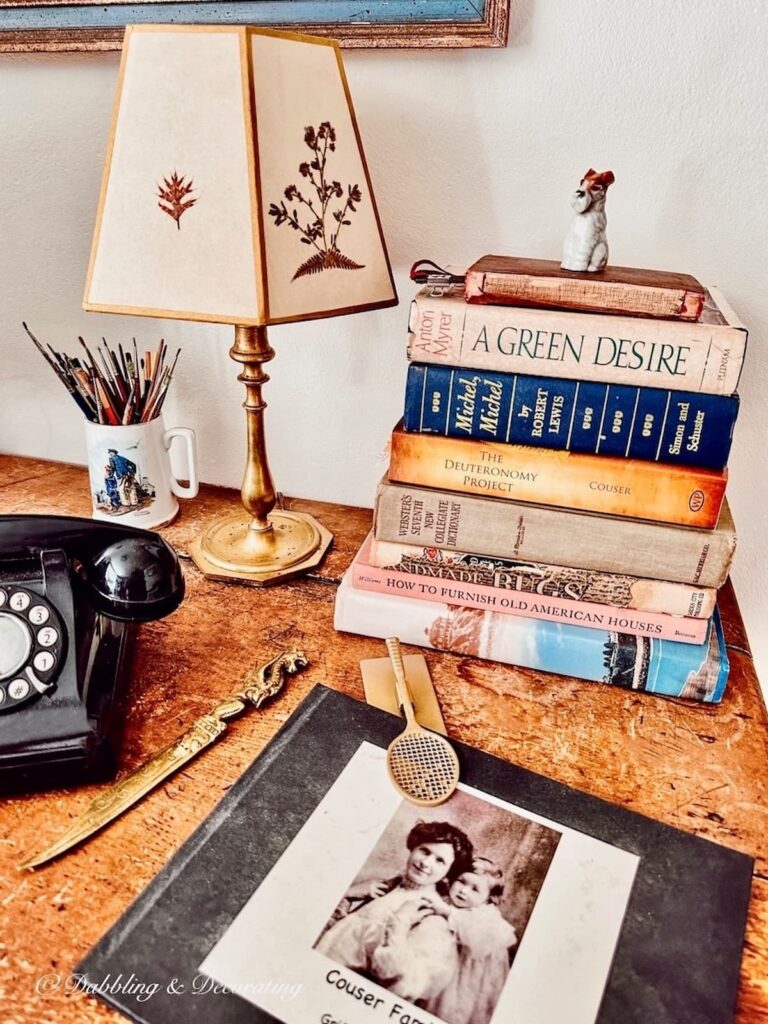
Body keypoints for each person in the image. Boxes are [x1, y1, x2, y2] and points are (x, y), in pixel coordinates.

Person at [316, 819, 473, 992]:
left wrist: (400, 924)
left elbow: (402, 979)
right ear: (413, 847)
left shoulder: (427, 910)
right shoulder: (389, 885)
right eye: (425, 851)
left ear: (448, 874)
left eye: (440, 861)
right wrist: (349, 893)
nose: (426, 863)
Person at [424, 857, 518, 1024]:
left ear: (489, 898)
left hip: (470, 973)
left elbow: (475, 938)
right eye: (461, 882)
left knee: (454, 1005)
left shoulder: (486, 915)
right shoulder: (447, 902)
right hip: (442, 964)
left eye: (475, 889)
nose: (464, 891)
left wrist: (448, 913)